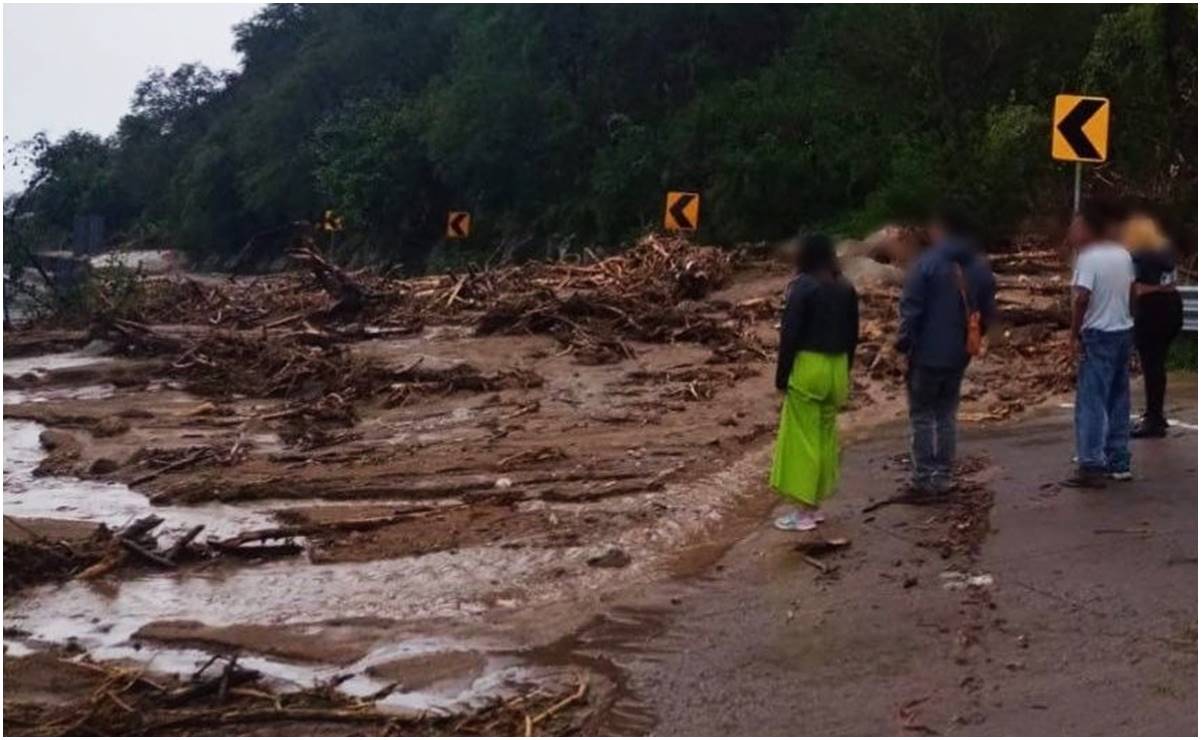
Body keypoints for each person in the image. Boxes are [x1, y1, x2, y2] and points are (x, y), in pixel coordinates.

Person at [896, 205, 996, 494]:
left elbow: (911, 311)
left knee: (923, 414)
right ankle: (944, 474)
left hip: (926, 352)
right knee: (946, 413)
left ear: (941, 229)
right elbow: (987, 310)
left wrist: (904, 346)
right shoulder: (978, 265)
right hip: (959, 352)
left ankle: (925, 476)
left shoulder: (925, 264)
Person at [769, 233, 859, 531]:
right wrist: (846, 371)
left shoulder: (804, 287)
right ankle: (817, 504)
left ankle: (804, 511)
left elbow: (790, 336)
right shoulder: (845, 286)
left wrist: (782, 376)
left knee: (802, 439)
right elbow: (853, 335)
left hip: (809, 366)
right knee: (825, 435)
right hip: (837, 366)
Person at [1063, 201, 1136, 488]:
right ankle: (1119, 460)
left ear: (1087, 229)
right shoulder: (1123, 255)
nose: (1072, 231)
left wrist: (1074, 332)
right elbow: (1132, 292)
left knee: (1091, 400)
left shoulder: (1088, 258)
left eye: (1076, 225)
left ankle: (1091, 462)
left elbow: (1082, 298)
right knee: (1119, 398)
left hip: (1098, 334)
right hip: (1122, 330)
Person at [1122, 211, 1183, 438]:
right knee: (1158, 363)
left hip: (1152, 310)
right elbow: (1171, 281)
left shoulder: (1140, 253)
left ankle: (1154, 418)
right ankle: (1156, 412)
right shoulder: (1164, 247)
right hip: (1172, 307)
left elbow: (1136, 288)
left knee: (1152, 364)